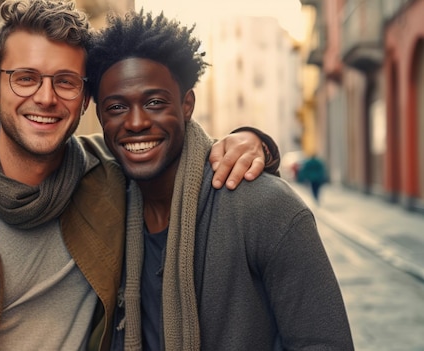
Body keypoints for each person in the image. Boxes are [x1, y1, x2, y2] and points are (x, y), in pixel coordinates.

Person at [0, 1, 279, 350]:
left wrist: (252, 140)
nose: (46, 98)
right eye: (26, 78)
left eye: (66, 82)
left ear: (86, 97)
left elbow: (173, 155)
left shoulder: (109, 181)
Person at [85, 10, 354, 350]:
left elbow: (324, 343)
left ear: (187, 105)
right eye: (117, 107)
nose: (136, 122)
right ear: (101, 118)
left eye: (154, 102)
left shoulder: (265, 207)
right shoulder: (103, 202)